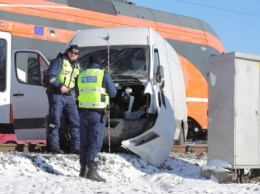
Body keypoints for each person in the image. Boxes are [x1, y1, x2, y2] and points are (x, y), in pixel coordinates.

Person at [76, 54, 117, 182]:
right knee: (95, 142)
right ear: (99, 63)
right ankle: (92, 171)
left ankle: (83, 170)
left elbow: (78, 93)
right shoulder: (103, 74)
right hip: (97, 114)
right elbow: (113, 93)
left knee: (84, 142)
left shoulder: (81, 75)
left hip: (82, 113)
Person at [44, 45, 81, 154]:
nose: (73, 55)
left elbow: (80, 78)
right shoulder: (58, 61)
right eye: (71, 52)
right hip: (57, 94)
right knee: (55, 121)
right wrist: (60, 86)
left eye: (75, 53)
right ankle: (54, 148)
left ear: (77, 55)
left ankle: (76, 148)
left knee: (76, 122)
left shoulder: (77, 65)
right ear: (68, 52)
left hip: (69, 96)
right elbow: (49, 76)